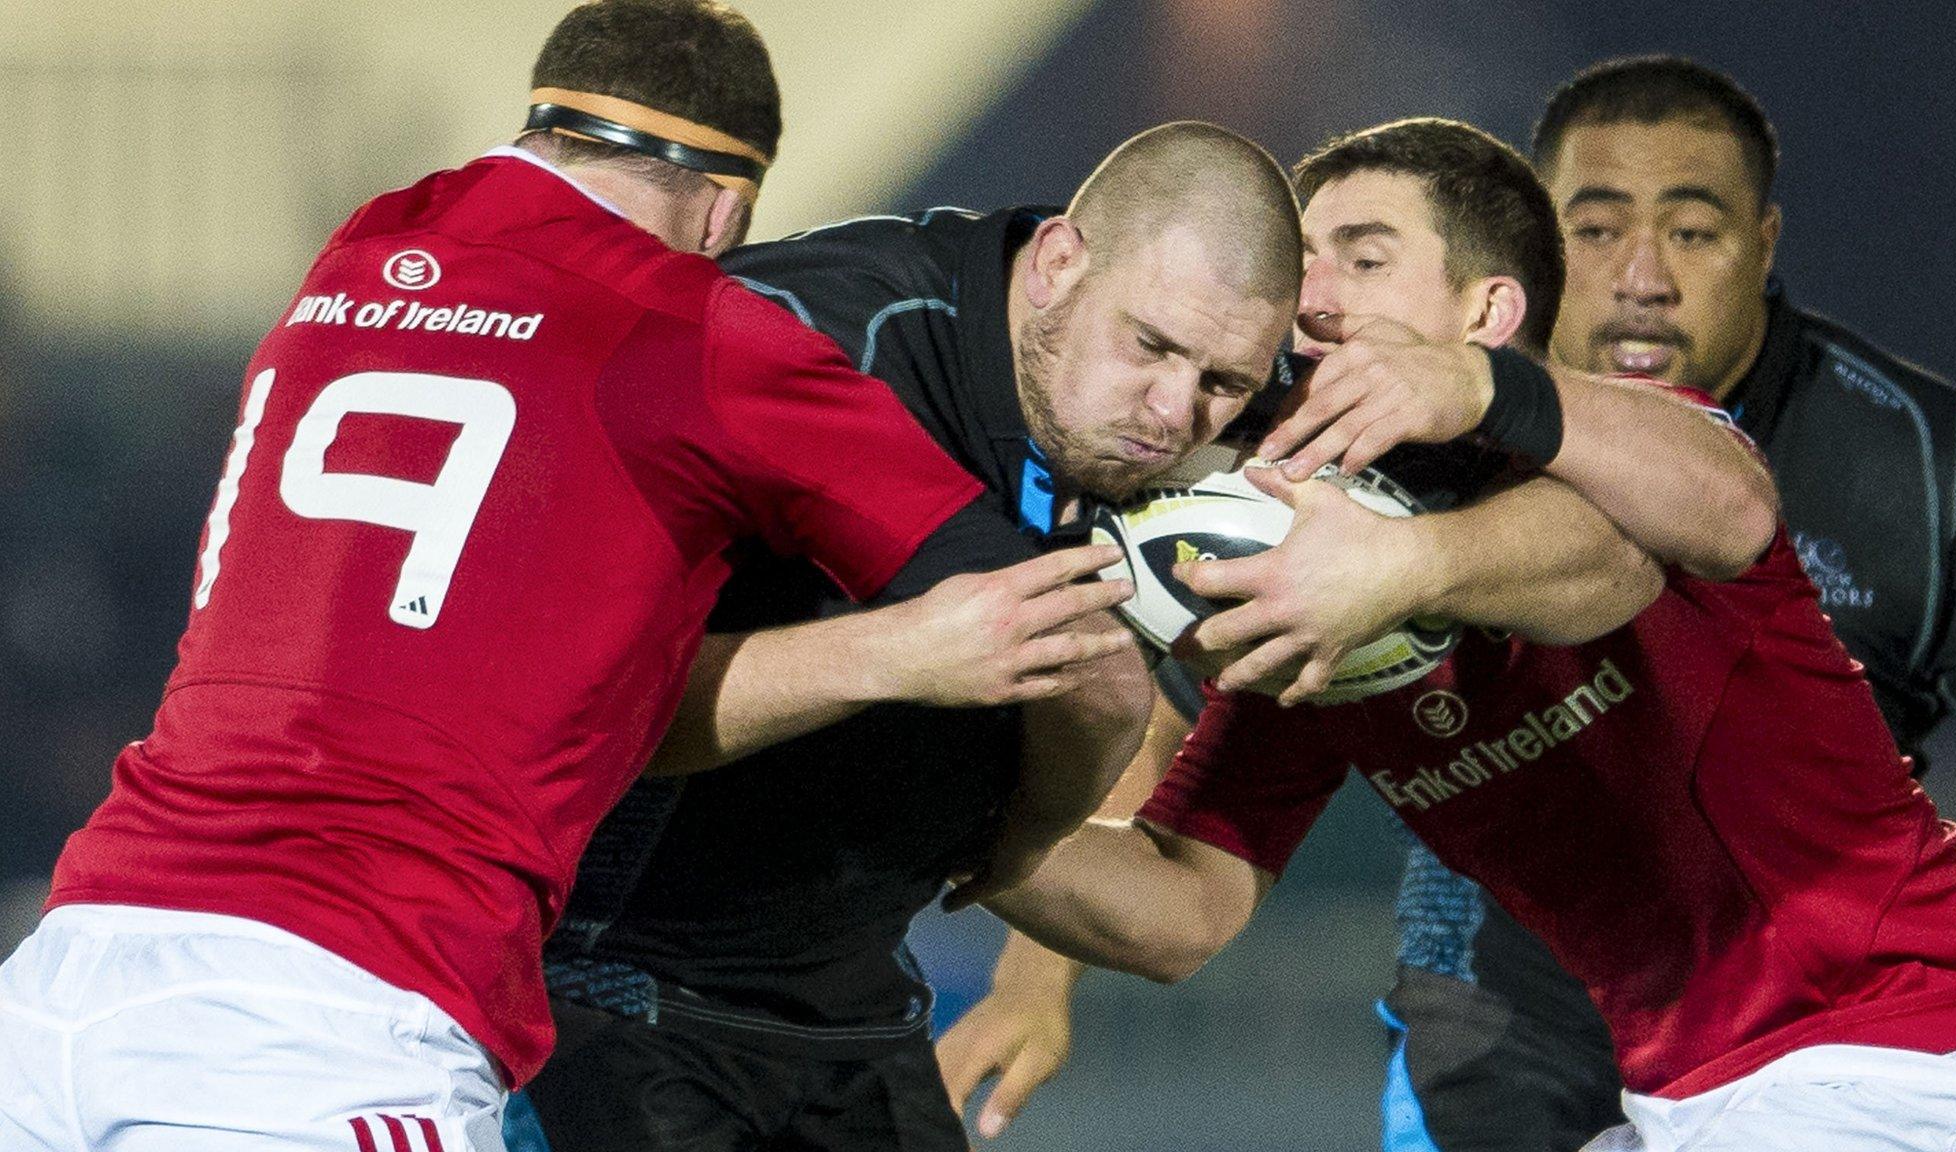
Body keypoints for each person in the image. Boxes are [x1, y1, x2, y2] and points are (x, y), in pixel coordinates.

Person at [0, 4, 1139, 1149]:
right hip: (327, 1021)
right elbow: (1060, 643)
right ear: (727, 212)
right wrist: (998, 794)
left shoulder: (359, 251)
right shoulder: (703, 332)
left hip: (73, 965)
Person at [510, 114, 1743, 1151]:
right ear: (1056, 263)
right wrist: (903, 659)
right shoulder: (802, 346)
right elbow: (553, 706)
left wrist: (1408, 560)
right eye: (1149, 349)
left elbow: (1618, 552)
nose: (1171, 413)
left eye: (1218, 379)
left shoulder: (1230, 405)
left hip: (841, 1001)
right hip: (600, 984)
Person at [972, 117, 1956, 1152]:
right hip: (1719, 1094)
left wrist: (1464, 425)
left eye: (1361, 256)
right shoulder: (1320, 603)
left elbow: (1719, 513)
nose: (1306, 296)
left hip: (1913, 1057)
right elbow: (1182, 909)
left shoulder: (1631, 457)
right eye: (1296, 265)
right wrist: (960, 831)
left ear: (1486, 310)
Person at [1372, 56, 1956, 1152]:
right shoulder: (1423, 436)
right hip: (1505, 1012)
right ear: (1533, 252)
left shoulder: (1922, 461)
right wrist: (1037, 983)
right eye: (1593, 234)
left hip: (1827, 1045)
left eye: (1691, 233)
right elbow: (1181, 693)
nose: (1641, 276)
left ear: (1765, 246)